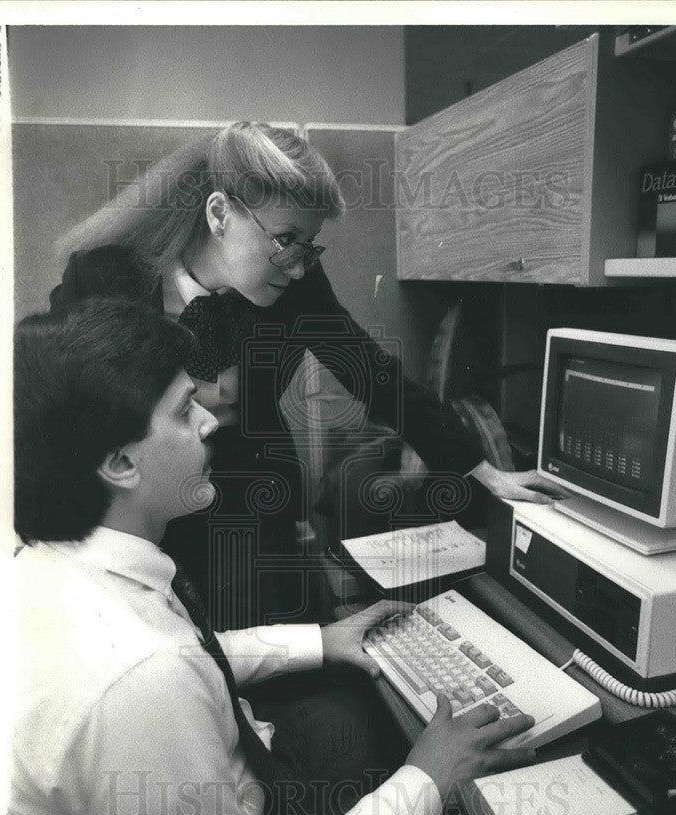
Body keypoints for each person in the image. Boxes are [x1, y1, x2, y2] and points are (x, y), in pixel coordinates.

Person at [10, 297, 537, 815]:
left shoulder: (57, 564)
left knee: (362, 726)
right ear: (119, 463)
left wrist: (321, 640)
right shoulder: (137, 686)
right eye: (181, 411)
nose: (208, 420)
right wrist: (426, 782)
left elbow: (191, 656)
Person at [47, 121, 561, 629]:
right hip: (136, 497)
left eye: (308, 244)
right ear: (220, 213)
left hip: (249, 487)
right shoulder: (101, 277)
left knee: (274, 646)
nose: (297, 267)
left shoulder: (297, 284)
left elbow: (369, 370)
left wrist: (483, 469)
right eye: (286, 239)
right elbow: (59, 408)